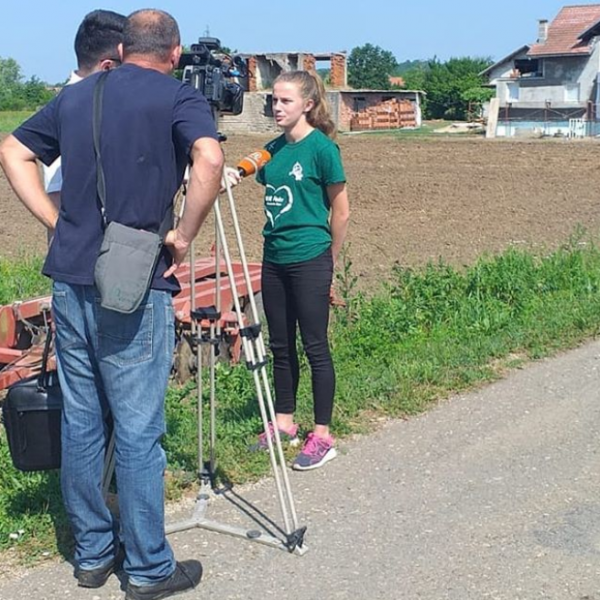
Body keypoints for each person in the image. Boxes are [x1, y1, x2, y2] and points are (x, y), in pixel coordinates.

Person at [0, 9, 223, 600]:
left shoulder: (78, 96)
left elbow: (12, 150)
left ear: (123, 49)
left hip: (70, 278)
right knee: (138, 426)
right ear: (174, 53)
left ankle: (93, 554)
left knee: (81, 419)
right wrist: (184, 233)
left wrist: (56, 220)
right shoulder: (178, 98)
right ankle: (149, 568)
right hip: (133, 279)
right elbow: (210, 159)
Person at [249, 70, 350, 470]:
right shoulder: (273, 150)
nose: (277, 108)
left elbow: (340, 211)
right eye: (274, 100)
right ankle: (284, 422)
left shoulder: (322, 150)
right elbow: (253, 170)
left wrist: (330, 259)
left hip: (310, 258)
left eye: (285, 101)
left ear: (307, 105)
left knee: (314, 346)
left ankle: (322, 435)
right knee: (280, 345)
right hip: (274, 258)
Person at [44, 9, 126, 239]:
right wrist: (64, 230)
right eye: (129, 66)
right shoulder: (69, 109)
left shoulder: (93, 104)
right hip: (84, 257)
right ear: (108, 66)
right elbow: (56, 192)